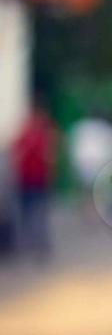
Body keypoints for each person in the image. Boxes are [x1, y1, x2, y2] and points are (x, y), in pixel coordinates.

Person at [11, 96, 57, 259]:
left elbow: (15, 152)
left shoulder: (28, 132)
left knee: (31, 212)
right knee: (38, 213)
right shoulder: (42, 133)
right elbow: (49, 156)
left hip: (30, 178)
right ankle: (38, 243)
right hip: (36, 179)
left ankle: (33, 243)